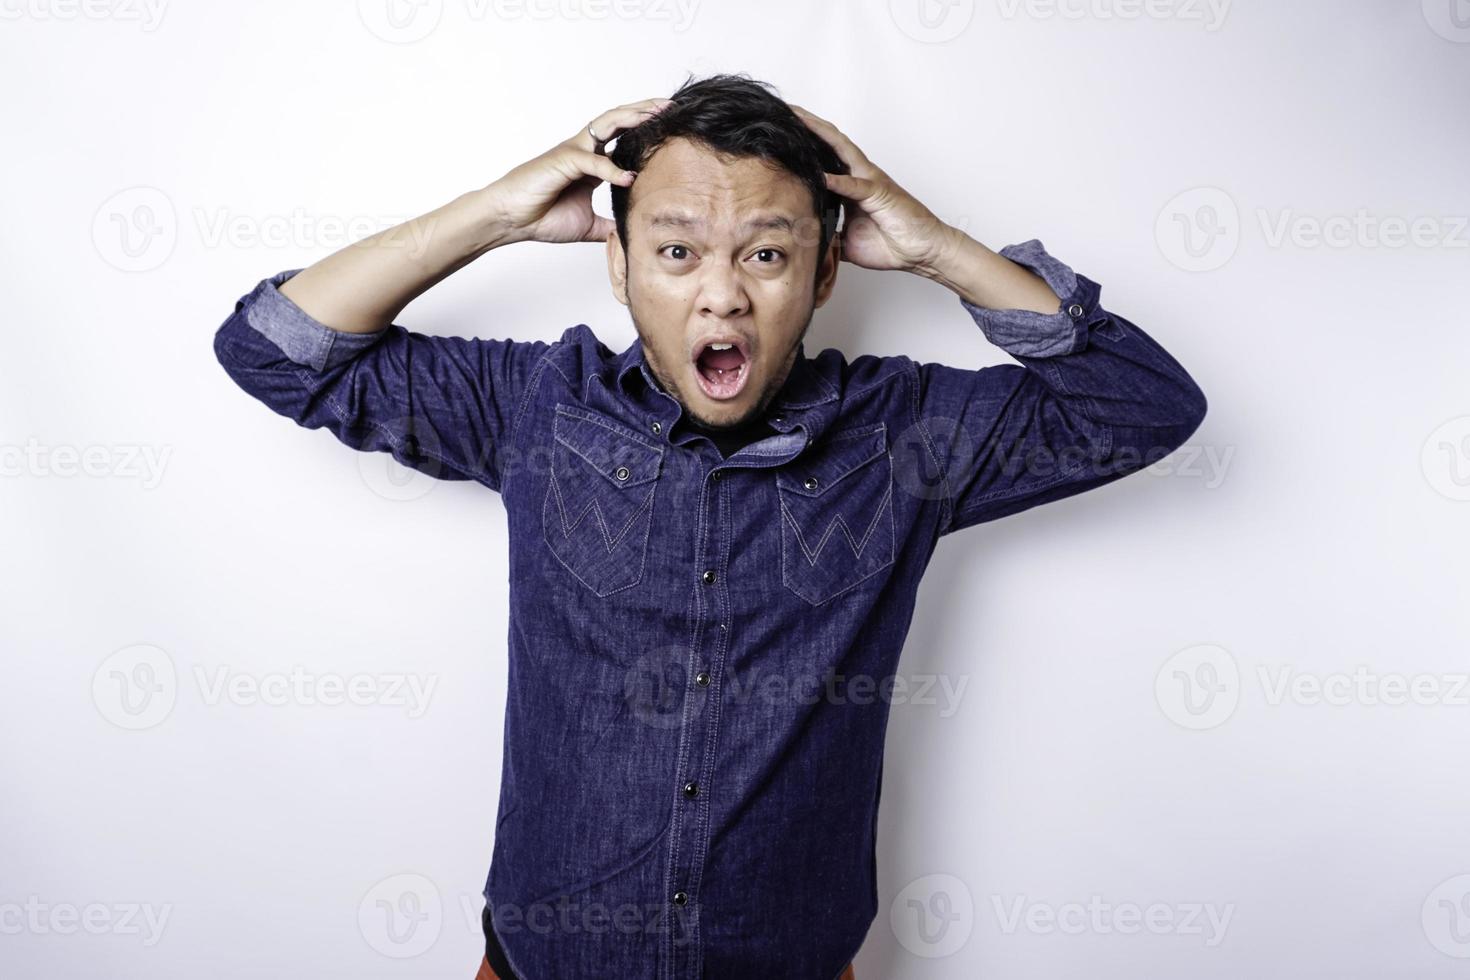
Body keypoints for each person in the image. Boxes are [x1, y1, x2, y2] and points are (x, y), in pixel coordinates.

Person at [212, 72, 1206, 980]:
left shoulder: (906, 434)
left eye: (768, 254)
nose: (721, 292)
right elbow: (274, 350)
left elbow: (1145, 407)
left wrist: (935, 244)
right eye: (676, 251)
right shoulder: (537, 407)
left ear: (824, 276)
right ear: (620, 265)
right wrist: (496, 213)